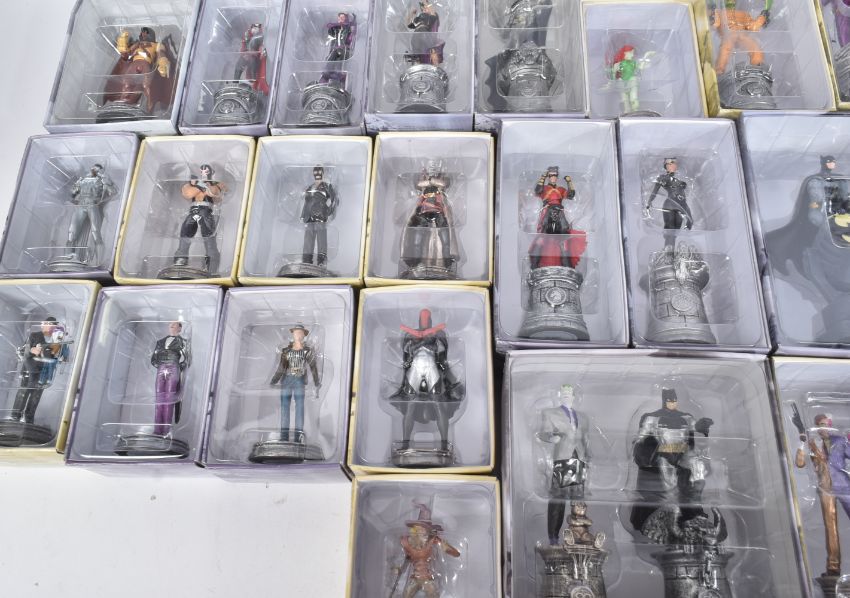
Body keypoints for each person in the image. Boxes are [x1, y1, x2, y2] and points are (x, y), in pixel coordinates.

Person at [391, 309, 464, 453]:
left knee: (438, 403)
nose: (424, 321)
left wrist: (424, 339)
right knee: (410, 404)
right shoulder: (410, 334)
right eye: (423, 318)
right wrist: (420, 339)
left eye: (427, 318)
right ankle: (406, 443)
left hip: (431, 366)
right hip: (415, 367)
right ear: (419, 319)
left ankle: (444, 444)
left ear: (430, 320)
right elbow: (407, 351)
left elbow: (441, 350)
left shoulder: (438, 333)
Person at [795, 412, 850, 577]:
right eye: (819, 425)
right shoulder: (812, 444)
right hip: (825, 489)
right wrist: (801, 442)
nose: (822, 428)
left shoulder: (840, 441)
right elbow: (800, 463)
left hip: (844, 485)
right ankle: (833, 567)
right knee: (830, 528)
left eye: (825, 425)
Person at [537, 383, 590, 545]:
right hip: (562, 458)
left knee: (578, 501)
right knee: (558, 500)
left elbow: (585, 439)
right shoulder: (550, 413)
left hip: (579, 458)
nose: (567, 396)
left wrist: (588, 457)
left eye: (569, 394)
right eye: (564, 393)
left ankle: (578, 535)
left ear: (574, 397)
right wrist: (551, 437)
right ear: (560, 396)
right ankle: (553, 538)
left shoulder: (583, 417)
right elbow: (543, 433)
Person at [393, 503, 460, 598]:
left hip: (428, 578)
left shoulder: (432, 542)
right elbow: (401, 558)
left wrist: (444, 545)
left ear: (427, 532)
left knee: (433, 594)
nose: (419, 532)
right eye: (416, 530)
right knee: (406, 595)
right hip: (414, 577)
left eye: (422, 530)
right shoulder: (406, 543)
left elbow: (453, 552)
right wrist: (397, 568)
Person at [270, 324, 321, 443]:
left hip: (299, 381)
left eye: (300, 333)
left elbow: (313, 367)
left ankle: (298, 437)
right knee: (285, 408)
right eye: (296, 332)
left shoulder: (307, 351)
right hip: (286, 380)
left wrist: (316, 382)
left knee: (299, 409)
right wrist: (274, 380)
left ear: (304, 335)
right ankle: (284, 437)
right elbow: (281, 368)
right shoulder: (286, 351)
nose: (298, 335)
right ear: (292, 334)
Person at [173, 164, 227, 274]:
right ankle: (180, 263)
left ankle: (211, 268)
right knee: (184, 236)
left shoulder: (216, 184)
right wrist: (199, 187)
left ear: (211, 172)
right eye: (201, 171)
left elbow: (214, 192)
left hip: (206, 211)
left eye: (206, 171)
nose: (203, 174)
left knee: (209, 239)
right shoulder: (192, 184)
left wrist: (206, 187)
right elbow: (188, 193)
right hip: (193, 210)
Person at [10, 318, 59, 424]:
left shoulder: (56, 340)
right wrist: (33, 350)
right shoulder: (34, 336)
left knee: (36, 396)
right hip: (29, 370)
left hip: (43, 373)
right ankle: (15, 416)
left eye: (53, 325)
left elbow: (53, 358)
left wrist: (55, 351)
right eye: (49, 324)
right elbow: (25, 351)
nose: (51, 326)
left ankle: (28, 418)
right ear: (43, 324)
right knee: (23, 392)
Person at [65, 163, 116, 265]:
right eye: (94, 168)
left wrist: (106, 183)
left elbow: (113, 192)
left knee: (96, 232)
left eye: (97, 169)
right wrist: (76, 188)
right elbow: (73, 193)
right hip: (81, 205)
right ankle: (68, 260)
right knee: (71, 233)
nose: (94, 170)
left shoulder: (102, 180)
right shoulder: (83, 179)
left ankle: (99, 262)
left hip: (92, 205)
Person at [150, 321, 189, 436]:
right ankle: (157, 430)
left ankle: (166, 431)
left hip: (173, 367)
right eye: (170, 325)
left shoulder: (183, 342)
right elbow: (153, 358)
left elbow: (187, 359)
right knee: (159, 399)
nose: (171, 326)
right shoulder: (160, 341)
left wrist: (178, 366)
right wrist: (160, 365)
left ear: (179, 328)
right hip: (161, 368)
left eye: (174, 325)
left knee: (169, 399)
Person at [644, 157, 694, 247]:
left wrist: (689, 217)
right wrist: (649, 202)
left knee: (676, 230)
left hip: (681, 205)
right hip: (670, 205)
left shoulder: (680, 181)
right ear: (666, 166)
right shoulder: (663, 178)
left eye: (674, 163)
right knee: (670, 228)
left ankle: (670, 250)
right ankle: (668, 249)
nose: (673, 165)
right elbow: (655, 191)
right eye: (670, 164)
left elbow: (684, 199)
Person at [299, 166, 339, 268]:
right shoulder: (310, 187)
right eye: (315, 172)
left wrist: (328, 212)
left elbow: (334, 201)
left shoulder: (327, 186)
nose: (317, 174)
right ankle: (306, 261)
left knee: (321, 240)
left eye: (319, 172)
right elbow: (306, 203)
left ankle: (321, 262)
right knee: (308, 240)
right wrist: (303, 216)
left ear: (322, 173)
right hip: (309, 217)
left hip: (321, 217)